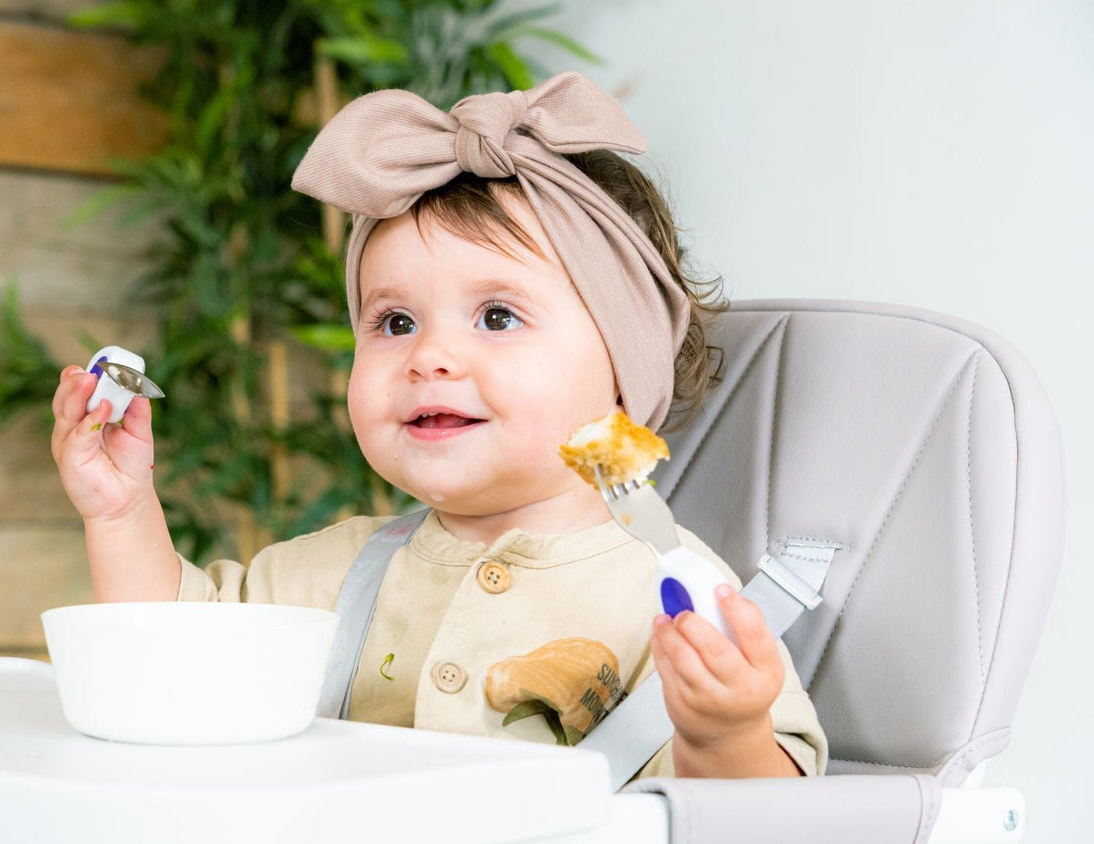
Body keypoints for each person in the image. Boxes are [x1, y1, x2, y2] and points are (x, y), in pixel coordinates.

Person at [49, 71, 825, 781]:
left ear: (623, 373)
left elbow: (778, 816)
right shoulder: (339, 574)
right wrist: (121, 513)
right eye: (392, 322)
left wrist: (724, 735)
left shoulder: (679, 596)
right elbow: (170, 654)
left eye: (496, 316)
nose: (430, 356)